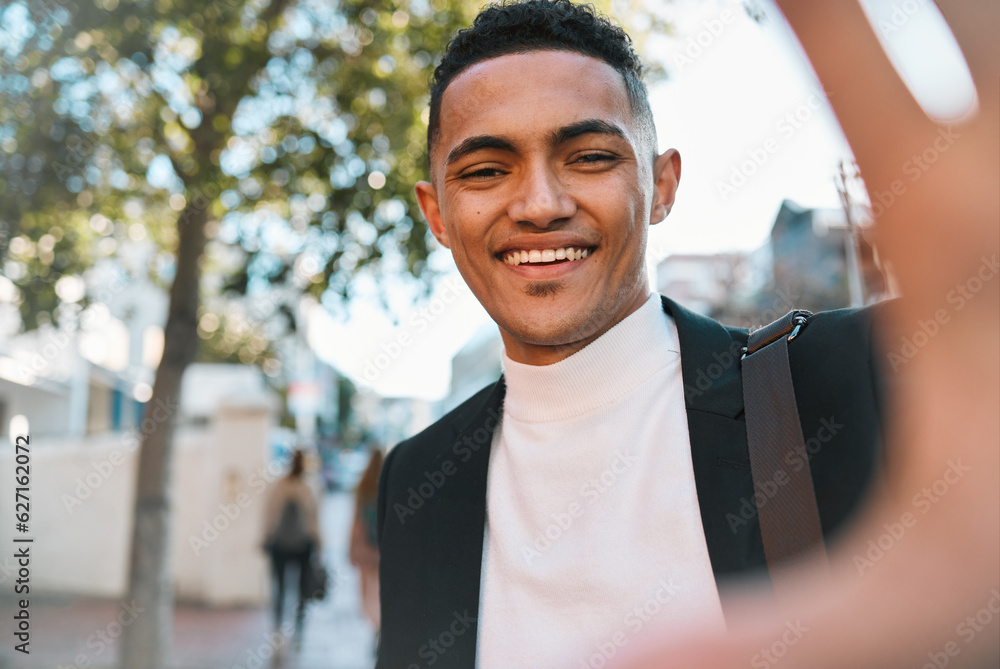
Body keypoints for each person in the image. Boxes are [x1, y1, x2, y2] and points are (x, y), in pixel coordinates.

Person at [377, 1, 884, 667]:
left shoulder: (848, 376)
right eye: (486, 170)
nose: (540, 204)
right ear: (437, 213)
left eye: (588, 156)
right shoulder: (418, 481)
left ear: (662, 184)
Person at [263, 448, 322, 642]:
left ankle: (279, 628)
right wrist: (319, 544)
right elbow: (314, 519)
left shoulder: (279, 486)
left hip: (279, 546)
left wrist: (266, 538)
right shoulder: (309, 486)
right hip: (303, 546)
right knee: (301, 590)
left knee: (280, 587)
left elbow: (270, 515)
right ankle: (298, 629)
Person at [350, 447, 384, 632]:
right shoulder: (388, 485)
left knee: (366, 590)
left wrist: (352, 548)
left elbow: (355, 522)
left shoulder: (363, 487)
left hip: (365, 548)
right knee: (381, 589)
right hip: (382, 549)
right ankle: (379, 624)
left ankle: (373, 622)